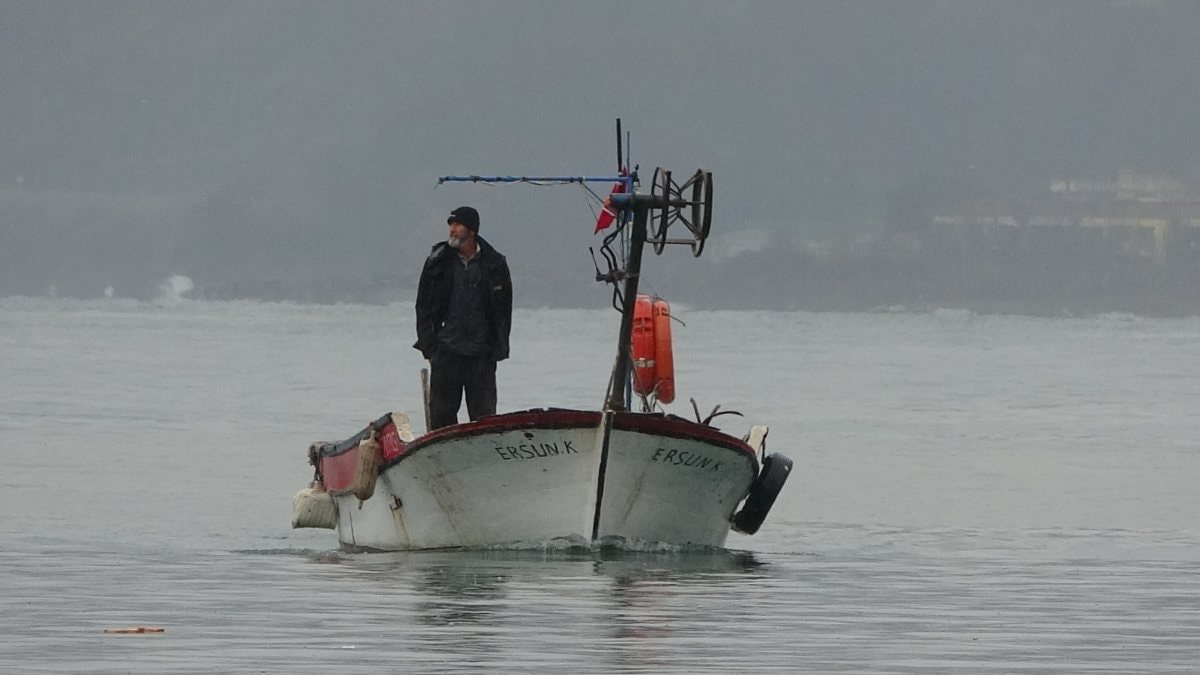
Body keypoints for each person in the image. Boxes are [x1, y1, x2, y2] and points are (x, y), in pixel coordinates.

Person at [414, 206, 513, 430]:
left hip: (481, 355)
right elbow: (423, 307)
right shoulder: (437, 262)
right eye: (451, 224)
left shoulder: (495, 264)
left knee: (484, 422)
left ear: (472, 230)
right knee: (442, 421)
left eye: (458, 225)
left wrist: (498, 348)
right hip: (446, 352)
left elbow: (504, 311)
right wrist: (430, 349)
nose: (452, 229)